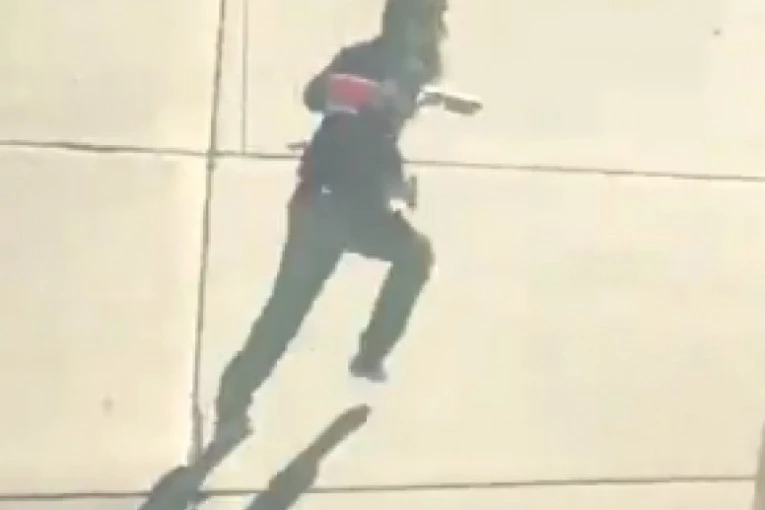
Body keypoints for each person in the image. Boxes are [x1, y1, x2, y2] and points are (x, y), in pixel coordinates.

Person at [214, 0, 479, 437]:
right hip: (329, 205)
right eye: (430, 21)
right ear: (406, 22)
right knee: (288, 312)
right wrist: (369, 96)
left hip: (351, 207)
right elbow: (320, 98)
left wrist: (441, 101)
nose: (435, 31)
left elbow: (385, 120)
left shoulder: (408, 70)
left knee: (411, 258)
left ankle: (364, 357)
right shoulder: (367, 62)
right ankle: (239, 398)